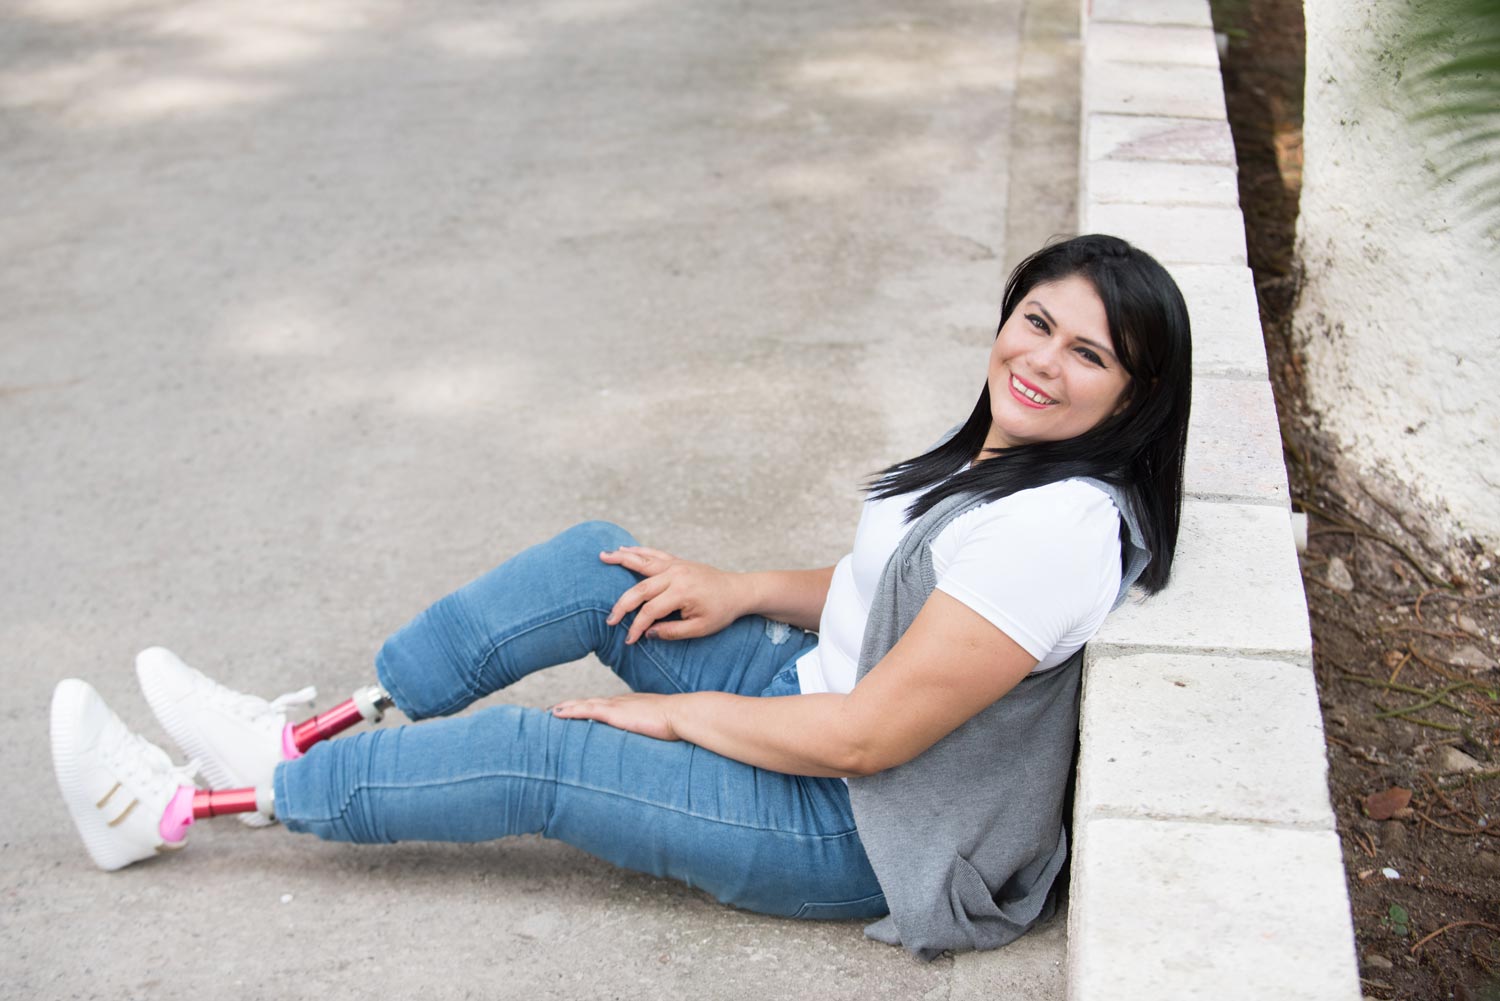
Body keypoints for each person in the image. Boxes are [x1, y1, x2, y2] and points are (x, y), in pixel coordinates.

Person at [49, 233, 1192, 959]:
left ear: (1134, 397)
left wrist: (673, 712)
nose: (1042, 358)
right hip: (812, 696)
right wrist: (737, 585)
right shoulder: (1000, 463)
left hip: (868, 827)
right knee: (609, 568)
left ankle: (186, 807)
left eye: (1089, 354)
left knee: (555, 758)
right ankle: (311, 727)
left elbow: (868, 734)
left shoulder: (1060, 526)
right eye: (1036, 320)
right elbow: (890, 592)